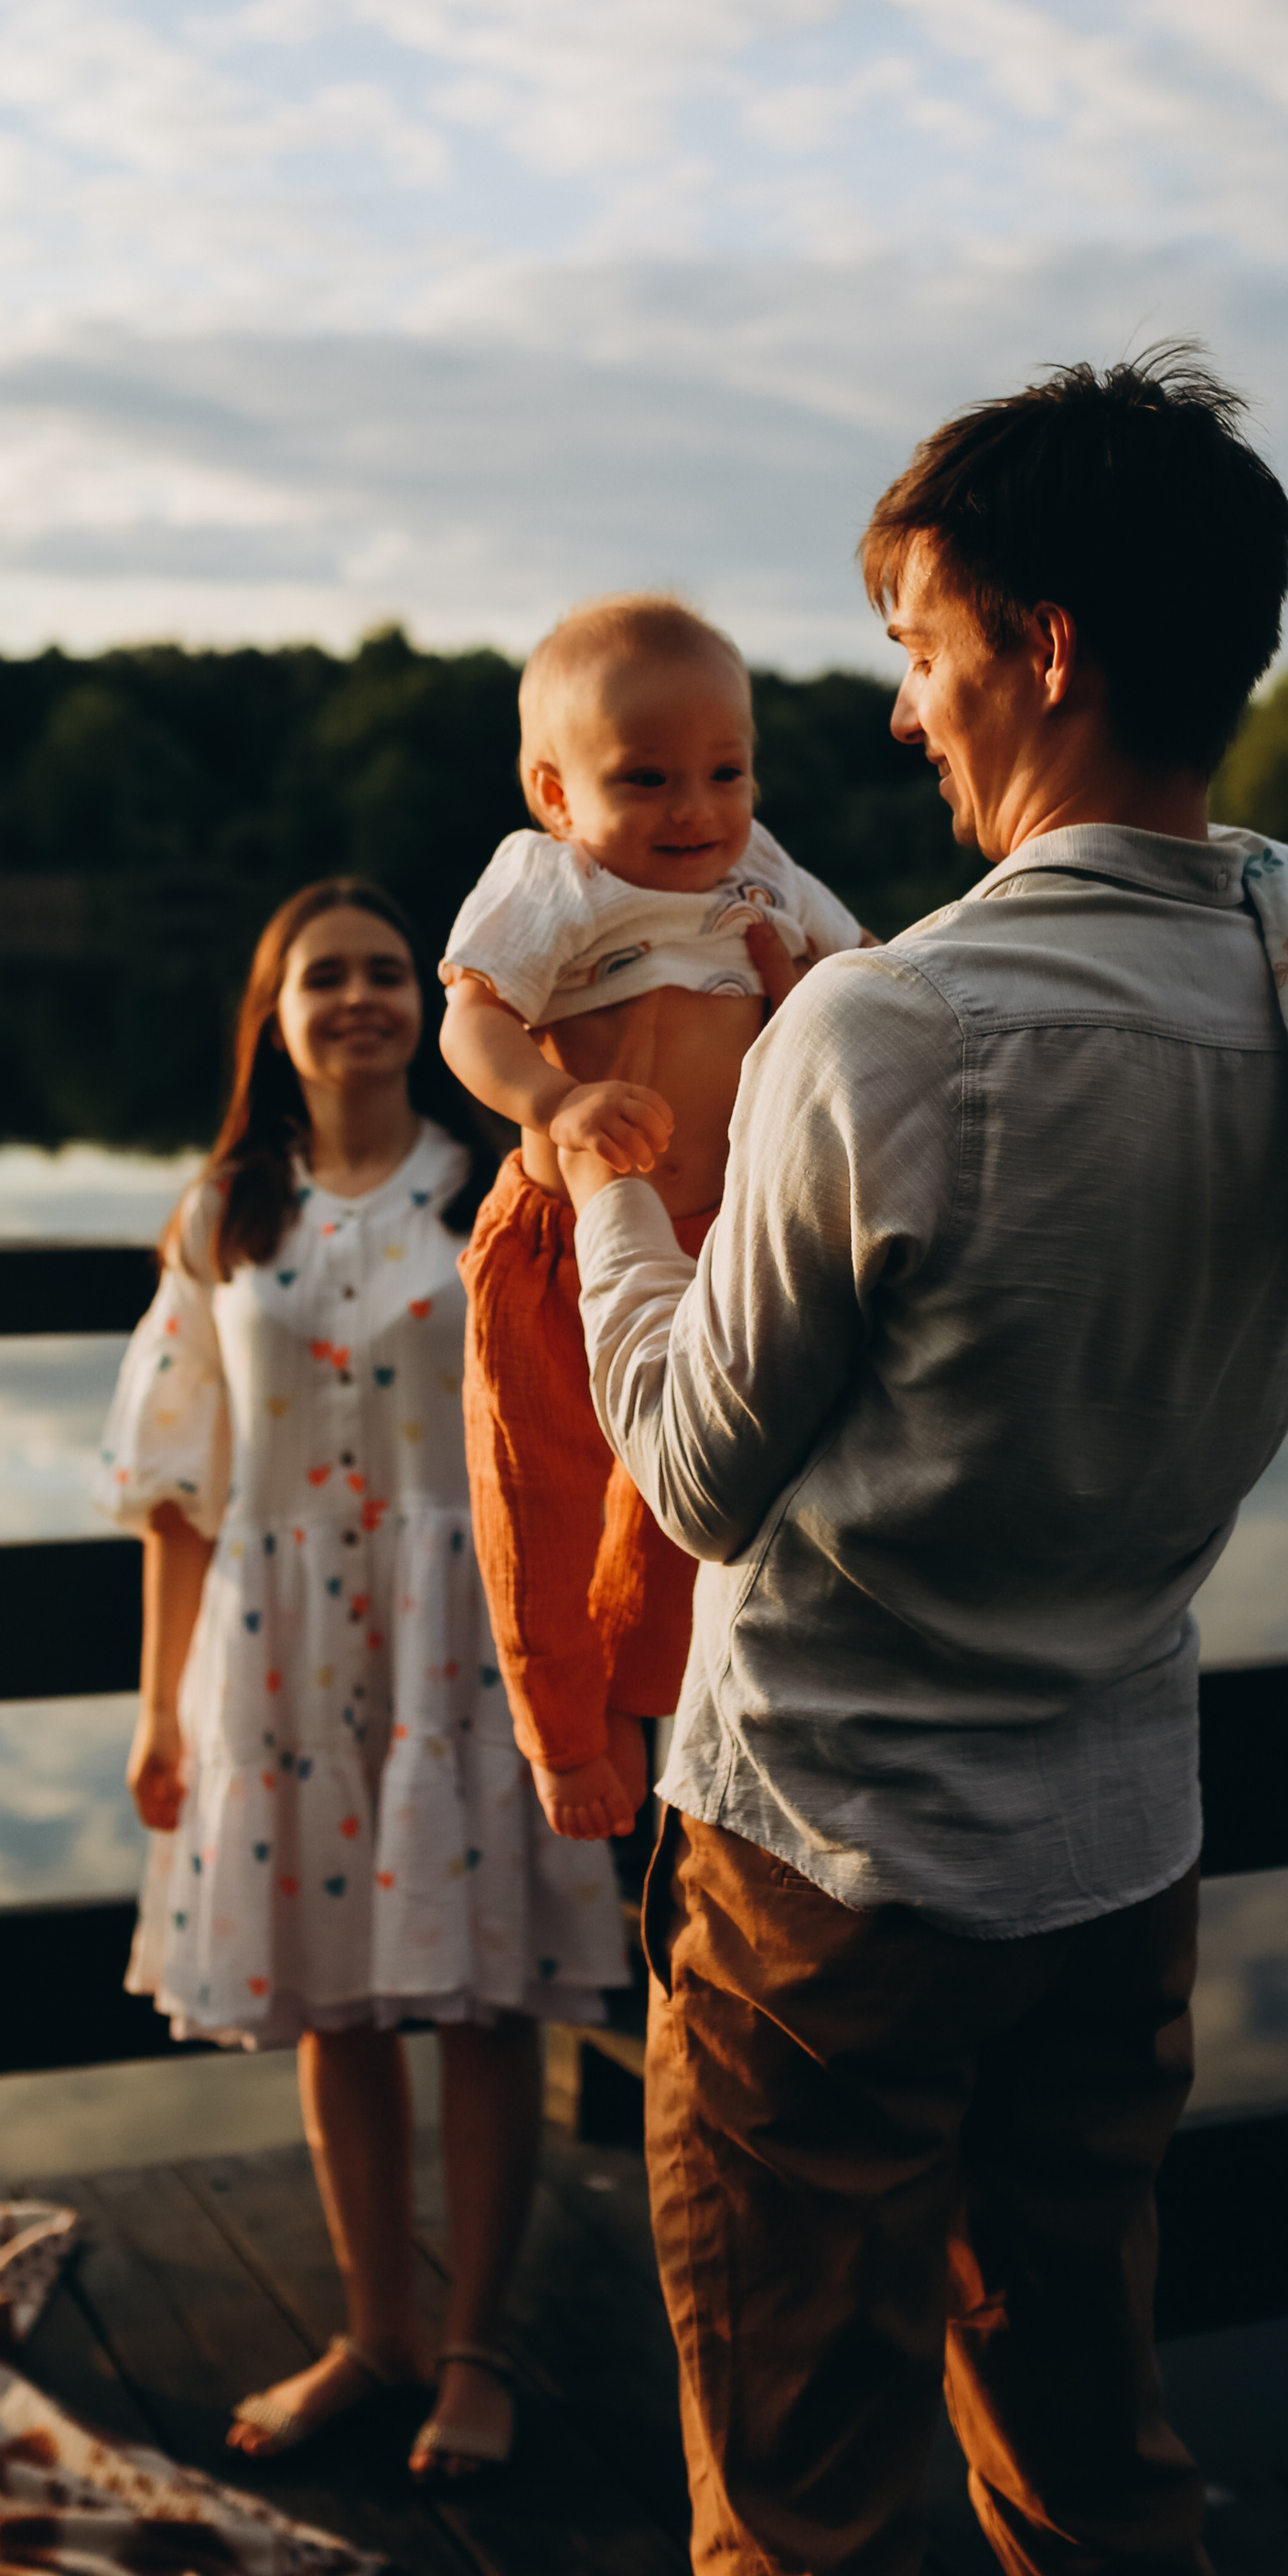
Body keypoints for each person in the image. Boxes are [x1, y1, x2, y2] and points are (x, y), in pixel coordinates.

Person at [556, 358, 1288, 2576]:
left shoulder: (897, 1028)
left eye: (923, 641)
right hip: (1113, 1852)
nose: (900, 710)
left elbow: (689, 1473)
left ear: (1047, 648)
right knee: (1090, 2452)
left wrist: (612, 1197)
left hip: (823, 1887)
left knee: (805, 2522)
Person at [99, 876, 626, 2484]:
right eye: (326, 977)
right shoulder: (218, 1218)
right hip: (275, 1647)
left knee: (475, 2000)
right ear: (277, 1014)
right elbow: (178, 1491)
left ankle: (475, 2351)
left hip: (460, 1637)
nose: (362, 1000)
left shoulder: (491, 1189)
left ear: (427, 1002)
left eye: (389, 973)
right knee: (335, 2000)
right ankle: (375, 2329)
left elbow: (579, 1438)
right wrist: (157, 1704)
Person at [435, 596, 867, 1843]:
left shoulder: (762, 869)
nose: (696, 808)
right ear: (557, 794)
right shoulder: (552, 881)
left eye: (726, 771)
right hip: (564, 1236)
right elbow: (471, 1017)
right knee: (545, 1488)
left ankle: (648, 1696)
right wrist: (558, 1103)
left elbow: (863, 968)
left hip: (719, 1242)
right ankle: (565, 1734)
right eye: (648, 779)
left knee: (695, 1498)